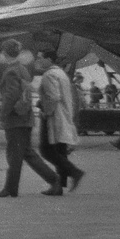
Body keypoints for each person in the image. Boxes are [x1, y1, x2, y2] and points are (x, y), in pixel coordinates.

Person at [0, 40, 63, 197]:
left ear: (4, 53)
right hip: (25, 117)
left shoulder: (11, 71)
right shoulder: (22, 69)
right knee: (26, 153)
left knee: (15, 154)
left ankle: (12, 188)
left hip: (15, 120)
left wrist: (1, 117)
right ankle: (51, 181)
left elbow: (10, 97)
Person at [36, 52, 85, 190]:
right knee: (60, 149)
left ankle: (75, 172)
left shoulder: (48, 75)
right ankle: (60, 184)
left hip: (53, 116)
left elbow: (54, 97)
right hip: (64, 114)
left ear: (49, 59)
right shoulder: (61, 73)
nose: (38, 60)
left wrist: (46, 112)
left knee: (46, 150)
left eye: (41, 57)